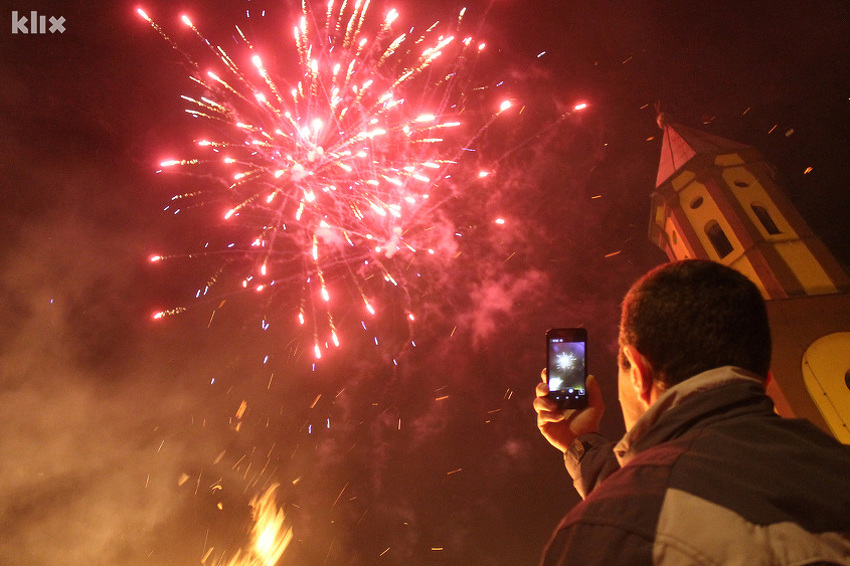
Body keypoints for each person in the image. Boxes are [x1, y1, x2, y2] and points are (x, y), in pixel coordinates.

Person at [533, 259, 850, 565]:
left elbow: (651, 508)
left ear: (639, 373)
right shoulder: (833, 466)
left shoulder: (603, 532)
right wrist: (583, 442)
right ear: (764, 378)